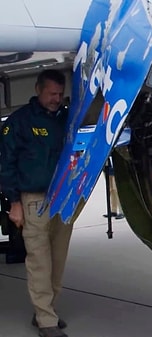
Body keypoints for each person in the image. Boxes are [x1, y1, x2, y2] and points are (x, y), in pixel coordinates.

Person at [0, 69, 71, 337]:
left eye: (60, 94)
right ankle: (45, 319)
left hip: (62, 198)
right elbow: (5, 164)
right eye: (52, 93)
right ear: (38, 89)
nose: (56, 99)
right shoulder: (19, 121)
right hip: (33, 200)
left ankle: (47, 308)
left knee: (58, 258)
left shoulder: (65, 119)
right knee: (39, 260)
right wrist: (14, 202)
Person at [102, 156, 124, 220]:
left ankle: (122, 211)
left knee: (116, 189)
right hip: (106, 166)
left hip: (115, 166)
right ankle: (113, 210)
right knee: (110, 189)